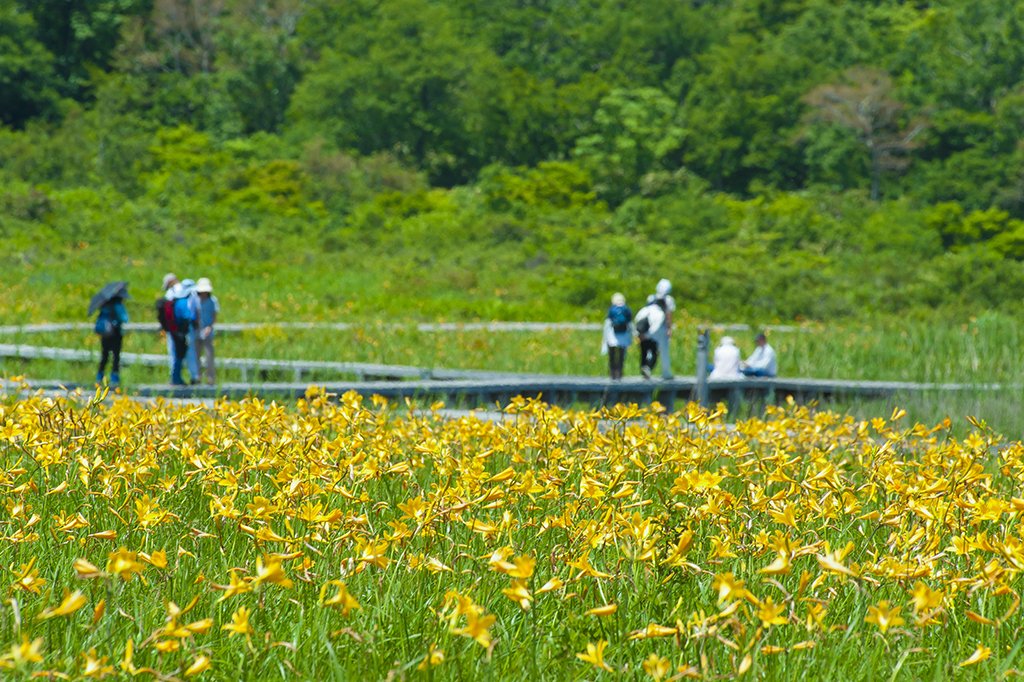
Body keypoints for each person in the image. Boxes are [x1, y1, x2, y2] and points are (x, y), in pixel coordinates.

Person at [95, 294, 128, 387]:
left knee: (104, 355)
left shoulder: (104, 305)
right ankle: (114, 377)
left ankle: (99, 375)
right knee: (115, 356)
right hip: (116, 334)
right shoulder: (118, 305)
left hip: (105, 335)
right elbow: (125, 319)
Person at [601, 293, 632, 380]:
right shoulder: (626, 309)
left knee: (612, 354)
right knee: (621, 354)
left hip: (612, 335)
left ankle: (612, 372)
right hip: (623, 334)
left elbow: (608, 321)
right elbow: (630, 321)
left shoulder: (612, 309)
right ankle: (620, 372)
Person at [634, 295, 666, 380]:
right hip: (653, 338)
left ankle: (643, 369)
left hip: (641, 335)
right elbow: (656, 327)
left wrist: (638, 334)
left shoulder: (644, 310)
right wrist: (647, 335)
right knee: (654, 354)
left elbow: (637, 321)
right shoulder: (660, 313)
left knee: (643, 353)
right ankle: (648, 368)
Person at [194, 277, 219, 384]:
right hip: (196, 330)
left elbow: (214, 315)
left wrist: (209, 327)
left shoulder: (213, 300)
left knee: (209, 356)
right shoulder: (195, 300)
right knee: (196, 355)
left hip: (208, 331)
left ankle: (211, 378)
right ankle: (197, 376)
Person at [651, 278, 676, 379]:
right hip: (662, 328)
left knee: (651, 349)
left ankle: (647, 368)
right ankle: (666, 372)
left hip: (651, 328)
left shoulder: (651, 298)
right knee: (664, 350)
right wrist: (669, 329)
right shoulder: (669, 300)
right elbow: (669, 315)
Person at [179, 279, 202, 384]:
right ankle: (195, 376)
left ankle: (194, 375)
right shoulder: (193, 299)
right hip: (191, 328)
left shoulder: (180, 299)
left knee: (189, 353)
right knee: (192, 353)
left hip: (184, 329)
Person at [160, 273, 179, 373]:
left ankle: (173, 374)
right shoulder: (188, 290)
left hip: (172, 327)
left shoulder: (170, 293)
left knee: (172, 351)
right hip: (186, 326)